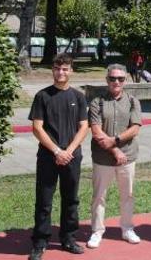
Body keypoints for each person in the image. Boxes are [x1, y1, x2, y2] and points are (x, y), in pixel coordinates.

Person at [28, 53, 89, 260]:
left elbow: (84, 127)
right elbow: (37, 128)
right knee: (44, 200)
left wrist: (69, 151)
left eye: (64, 69)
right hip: (48, 156)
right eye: (57, 68)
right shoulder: (42, 96)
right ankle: (40, 241)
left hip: (72, 156)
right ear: (52, 70)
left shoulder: (78, 97)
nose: (60, 72)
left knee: (71, 199)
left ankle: (69, 238)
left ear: (71, 71)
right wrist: (56, 151)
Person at [86, 64, 143, 248]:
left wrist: (116, 140)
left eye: (120, 79)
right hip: (103, 159)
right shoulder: (97, 102)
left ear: (125, 80)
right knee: (99, 196)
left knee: (127, 195)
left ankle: (127, 228)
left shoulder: (133, 101)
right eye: (112, 79)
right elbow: (96, 131)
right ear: (107, 80)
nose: (116, 82)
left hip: (128, 158)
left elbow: (135, 128)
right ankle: (97, 231)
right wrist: (115, 149)